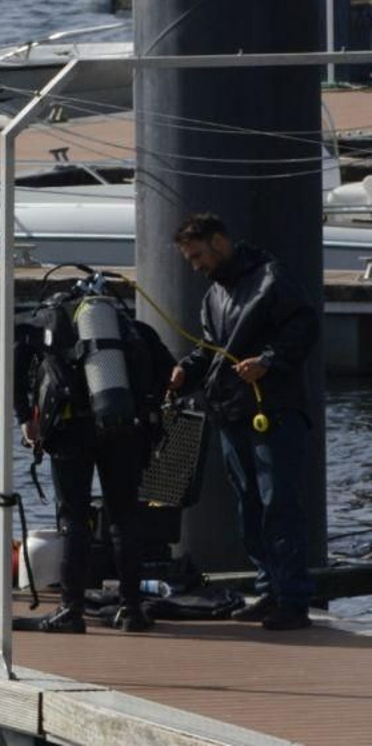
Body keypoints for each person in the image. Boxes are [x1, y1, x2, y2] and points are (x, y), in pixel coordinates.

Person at [168, 212, 319, 631]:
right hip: (232, 411)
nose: (194, 265)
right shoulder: (213, 295)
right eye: (188, 258)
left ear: (219, 242)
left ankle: (294, 598)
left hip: (273, 410)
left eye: (197, 255)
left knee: (279, 503)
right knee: (250, 504)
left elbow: (305, 324)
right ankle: (269, 588)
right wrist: (187, 370)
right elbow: (211, 349)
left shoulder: (271, 276)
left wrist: (269, 361)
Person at [16, 276, 173, 633]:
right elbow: (167, 369)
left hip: (71, 431)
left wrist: (25, 417)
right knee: (125, 517)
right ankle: (131, 609)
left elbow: (17, 356)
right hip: (124, 429)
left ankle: (70, 611)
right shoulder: (128, 327)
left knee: (74, 517)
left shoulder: (48, 321)